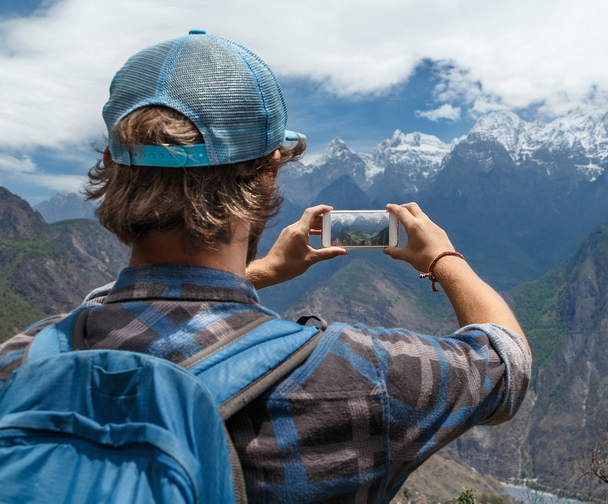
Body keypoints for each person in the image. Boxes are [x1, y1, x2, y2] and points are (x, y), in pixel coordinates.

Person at [0, 31, 531, 502]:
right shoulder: (357, 378)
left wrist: (257, 273)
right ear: (268, 175)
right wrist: (442, 257)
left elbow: (98, 309)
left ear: (112, 168)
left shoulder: (22, 362)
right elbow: (505, 362)